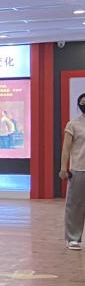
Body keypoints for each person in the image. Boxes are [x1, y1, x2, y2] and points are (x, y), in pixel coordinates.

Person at [63, 92, 85, 250]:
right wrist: (63, 168)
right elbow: (66, 148)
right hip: (78, 169)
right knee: (75, 206)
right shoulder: (73, 124)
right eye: (82, 103)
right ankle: (73, 238)